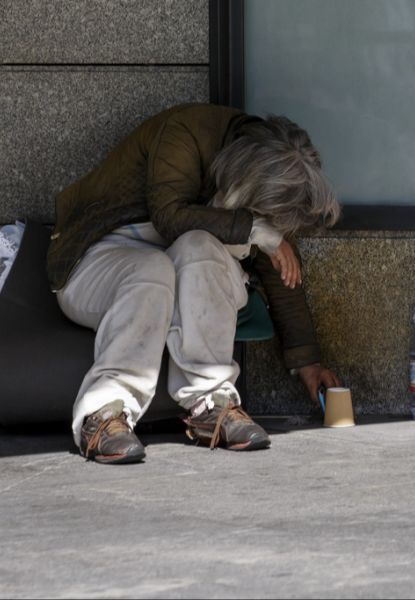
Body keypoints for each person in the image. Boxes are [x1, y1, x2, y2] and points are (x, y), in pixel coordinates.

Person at [46, 103, 342, 463]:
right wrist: (252, 228)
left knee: (200, 245)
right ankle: (104, 413)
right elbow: (169, 215)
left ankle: (211, 405)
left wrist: (307, 360)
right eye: (261, 216)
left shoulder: (260, 180)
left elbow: (281, 268)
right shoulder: (184, 134)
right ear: (245, 182)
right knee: (152, 269)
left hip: (180, 271)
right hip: (97, 264)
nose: (266, 228)